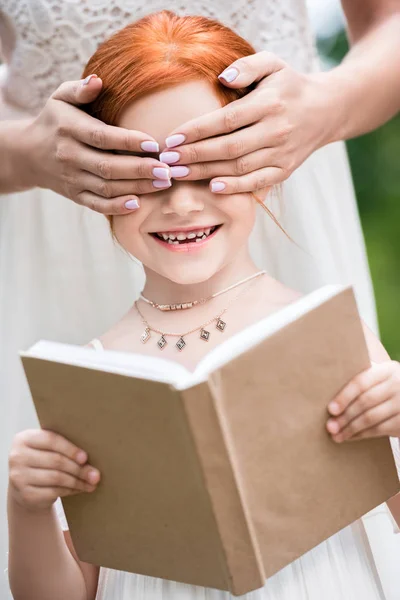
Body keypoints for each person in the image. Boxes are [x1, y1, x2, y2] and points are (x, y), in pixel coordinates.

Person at [1, 1, 400, 598]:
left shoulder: (325, 338)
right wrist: (27, 509)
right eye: (149, 174)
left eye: (208, 166)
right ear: (98, 176)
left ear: (261, 165)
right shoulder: (93, 372)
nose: (182, 205)